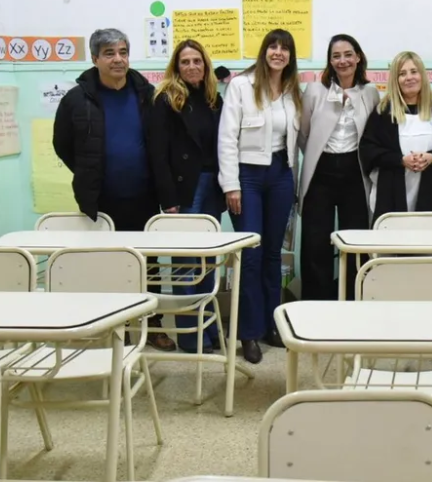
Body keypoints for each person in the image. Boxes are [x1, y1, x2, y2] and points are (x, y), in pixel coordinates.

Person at [53, 28, 174, 351]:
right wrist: (88, 173)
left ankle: (153, 324)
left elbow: (160, 145)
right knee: (105, 263)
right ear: (95, 59)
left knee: (147, 263)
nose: (118, 59)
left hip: (143, 196)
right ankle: (107, 324)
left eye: (122, 52)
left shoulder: (146, 94)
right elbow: (61, 144)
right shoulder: (77, 99)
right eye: (109, 53)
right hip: (101, 199)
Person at [218, 28, 302, 364]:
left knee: (272, 255)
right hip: (247, 176)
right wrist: (231, 185)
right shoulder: (241, 86)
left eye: (284, 48)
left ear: (290, 56)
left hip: (281, 174)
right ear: (264, 51)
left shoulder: (294, 90)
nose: (278, 53)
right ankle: (248, 333)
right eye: (273, 46)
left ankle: (271, 325)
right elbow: (226, 138)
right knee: (250, 256)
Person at [148, 38, 224, 354]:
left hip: (212, 187)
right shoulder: (165, 100)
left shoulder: (214, 100)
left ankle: (206, 330)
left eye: (197, 61)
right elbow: (157, 154)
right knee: (185, 264)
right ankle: (190, 337)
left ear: (205, 66)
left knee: (207, 263)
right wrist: (169, 200)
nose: (192, 66)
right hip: (184, 189)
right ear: (176, 67)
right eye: (185, 62)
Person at [298, 34, 381, 301]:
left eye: (348, 54)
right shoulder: (314, 91)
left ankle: (351, 299)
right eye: (336, 56)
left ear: (358, 57)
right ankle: (315, 303)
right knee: (315, 241)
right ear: (330, 61)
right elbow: (303, 133)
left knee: (355, 240)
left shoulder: (370, 92)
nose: (342, 60)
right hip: (321, 172)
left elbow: (373, 135)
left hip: (355, 173)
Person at [360, 51, 432, 223]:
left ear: (422, 75)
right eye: (402, 74)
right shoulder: (383, 112)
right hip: (392, 192)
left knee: (428, 243)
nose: (409, 78)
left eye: (413, 71)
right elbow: (368, 150)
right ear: (395, 80)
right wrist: (400, 160)